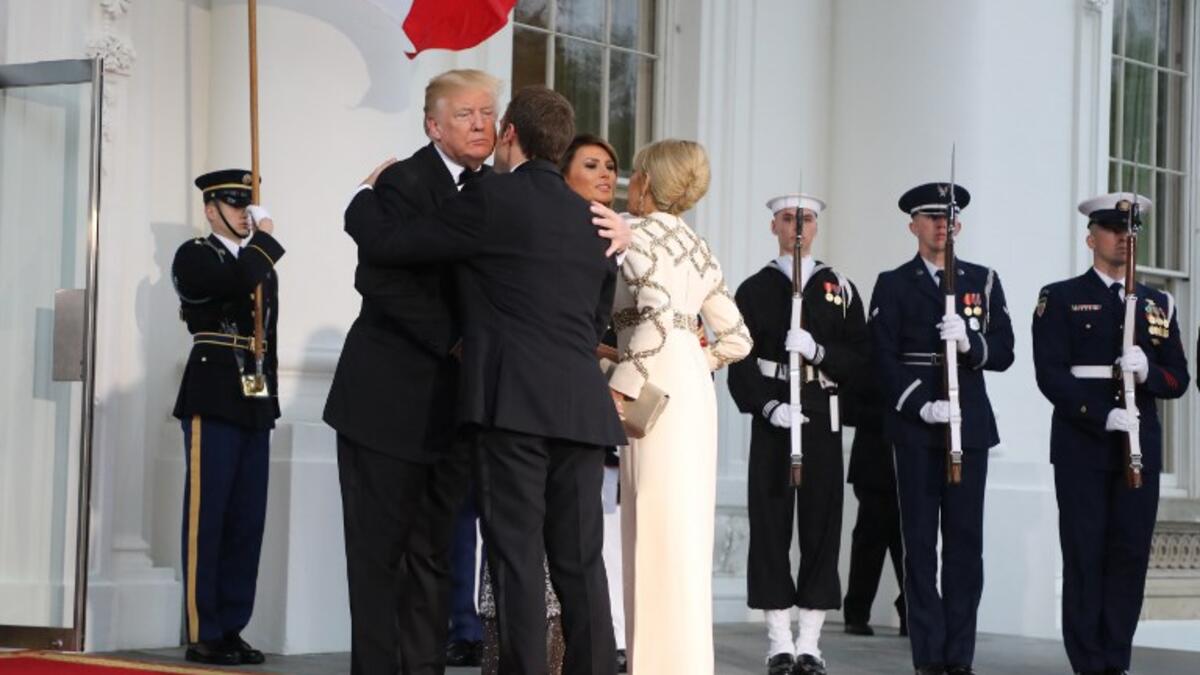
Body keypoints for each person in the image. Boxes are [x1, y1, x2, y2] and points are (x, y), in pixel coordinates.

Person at [346, 85, 629, 675]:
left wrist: (366, 197)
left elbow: (391, 244)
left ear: (510, 136)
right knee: (580, 563)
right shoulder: (599, 223)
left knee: (518, 557)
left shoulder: (493, 199)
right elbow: (598, 315)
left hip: (513, 410)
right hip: (581, 410)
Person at [323, 68, 497, 675]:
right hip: (384, 404)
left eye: (488, 114)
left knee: (434, 555)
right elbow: (378, 277)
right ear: (433, 125)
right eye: (466, 115)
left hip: (454, 411)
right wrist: (453, 341)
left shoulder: (492, 189)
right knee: (378, 559)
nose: (481, 125)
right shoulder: (401, 182)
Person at [609, 139, 753, 675]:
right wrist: (697, 360)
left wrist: (620, 384)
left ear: (646, 181)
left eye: (635, 173)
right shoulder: (700, 247)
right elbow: (738, 340)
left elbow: (649, 317)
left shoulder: (635, 233)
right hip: (692, 386)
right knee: (685, 533)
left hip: (652, 387)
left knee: (651, 525)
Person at [1031, 193, 1189, 675]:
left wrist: (1149, 374)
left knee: (1128, 554)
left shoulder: (1158, 302)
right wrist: (1100, 414)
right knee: (1084, 551)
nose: (1123, 238)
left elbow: (1178, 378)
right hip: (1084, 442)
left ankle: (1116, 658)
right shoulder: (1059, 297)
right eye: (1113, 230)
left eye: (1130, 231)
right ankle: (1087, 661)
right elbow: (1051, 374)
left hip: (1138, 443)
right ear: (1091, 237)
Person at [868, 182, 1014, 675]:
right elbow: (882, 358)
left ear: (959, 225)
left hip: (968, 425)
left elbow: (1006, 350)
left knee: (965, 546)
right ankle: (928, 655)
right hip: (917, 428)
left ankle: (959, 655)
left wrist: (972, 342)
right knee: (920, 544)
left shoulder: (983, 280)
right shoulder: (893, 282)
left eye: (948, 217)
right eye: (930, 217)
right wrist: (918, 405)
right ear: (913, 225)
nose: (940, 225)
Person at [727, 193, 869, 675]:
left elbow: (860, 360)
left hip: (820, 414)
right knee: (770, 526)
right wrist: (767, 405)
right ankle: (777, 641)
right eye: (789, 219)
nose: (798, 228)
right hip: (774, 416)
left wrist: (820, 352)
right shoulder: (753, 288)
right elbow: (738, 359)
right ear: (774, 227)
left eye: (806, 219)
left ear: (816, 227)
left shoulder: (840, 287)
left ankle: (810, 641)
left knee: (821, 526)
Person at [171, 169, 282, 666]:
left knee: (245, 519)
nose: (243, 211)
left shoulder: (261, 266)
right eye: (234, 203)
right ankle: (204, 629)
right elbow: (229, 284)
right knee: (208, 515)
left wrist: (270, 399)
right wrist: (266, 243)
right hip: (213, 388)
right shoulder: (196, 255)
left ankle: (233, 624)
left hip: (252, 395)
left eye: (248, 203)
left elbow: (268, 337)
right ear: (210, 208)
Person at [561, 133, 628, 673]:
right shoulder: (552, 226)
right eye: (592, 164)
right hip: (538, 401)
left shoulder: (618, 236)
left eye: (610, 166)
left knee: (585, 549)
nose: (606, 174)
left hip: (591, 404)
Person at [841, 377, 906, 639]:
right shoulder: (867, 357)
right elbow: (849, 409)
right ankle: (857, 612)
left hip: (906, 463)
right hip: (873, 462)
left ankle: (910, 612)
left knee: (909, 544)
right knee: (870, 541)